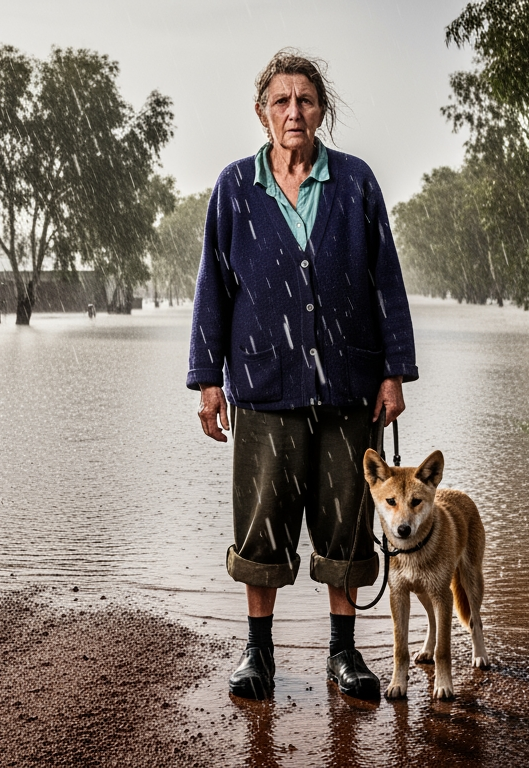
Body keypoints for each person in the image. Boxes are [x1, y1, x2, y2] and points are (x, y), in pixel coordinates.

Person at [187, 49, 418, 701]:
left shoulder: (355, 183)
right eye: (281, 101)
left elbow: (386, 282)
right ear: (262, 113)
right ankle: (257, 652)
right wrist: (208, 380)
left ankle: (343, 652)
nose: (294, 111)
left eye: (306, 100)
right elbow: (213, 289)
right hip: (263, 388)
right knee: (262, 524)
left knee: (346, 522)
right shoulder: (236, 187)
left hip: (348, 387)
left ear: (321, 111)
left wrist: (394, 373)